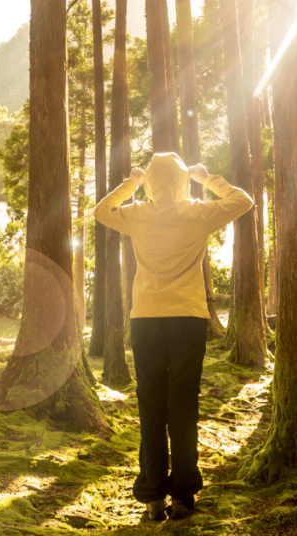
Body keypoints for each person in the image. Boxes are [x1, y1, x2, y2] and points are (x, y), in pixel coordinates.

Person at [94, 152, 254, 521]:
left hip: (146, 319)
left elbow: (102, 211)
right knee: (183, 407)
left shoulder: (137, 213)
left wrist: (130, 183)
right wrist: (207, 178)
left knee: (151, 405)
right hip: (188, 320)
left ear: (150, 182)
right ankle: (183, 496)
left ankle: (152, 497)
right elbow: (243, 201)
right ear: (183, 181)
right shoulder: (197, 212)